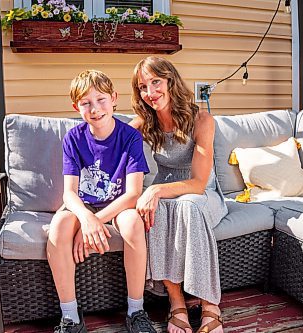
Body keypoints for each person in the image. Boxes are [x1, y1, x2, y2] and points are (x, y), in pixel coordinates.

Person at [47, 69, 157, 333]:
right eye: (86, 103)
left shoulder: (129, 136)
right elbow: (69, 194)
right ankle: (71, 316)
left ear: (114, 98)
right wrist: (86, 219)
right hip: (83, 206)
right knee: (59, 226)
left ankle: (136, 309)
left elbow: (132, 194)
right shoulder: (73, 138)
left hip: (119, 204)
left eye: (101, 100)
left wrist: (95, 222)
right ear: (77, 107)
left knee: (132, 224)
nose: (95, 109)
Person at [130, 56, 228, 333]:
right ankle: (177, 303)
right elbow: (110, 144)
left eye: (156, 82)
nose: (150, 93)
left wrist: (157, 190)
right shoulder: (143, 124)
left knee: (187, 206)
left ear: (171, 81)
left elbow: (198, 183)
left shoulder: (202, 119)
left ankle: (210, 305)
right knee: (155, 208)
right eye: (142, 87)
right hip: (167, 195)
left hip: (201, 193)